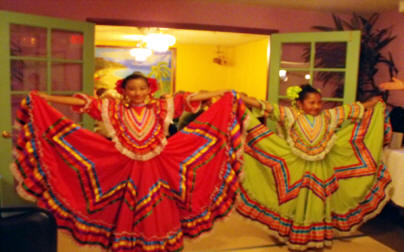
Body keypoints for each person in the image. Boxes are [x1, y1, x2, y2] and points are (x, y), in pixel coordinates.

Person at [11, 73, 248, 252]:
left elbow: (190, 99)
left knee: (161, 207)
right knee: (121, 206)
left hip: (158, 168)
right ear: (124, 91)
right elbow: (82, 104)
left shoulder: (160, 107)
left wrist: (221, 91)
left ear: (149, 90)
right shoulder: (111, 109)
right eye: (132, 89)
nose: (137, 92)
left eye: (142, 88)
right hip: (124, 168)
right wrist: (46, 98)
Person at [236, 84, 392, 250]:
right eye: (311, 103)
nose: (316, 106)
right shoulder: (290, 114)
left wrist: (372, 104)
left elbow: (352, 109)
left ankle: (317, 235)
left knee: (319, 200)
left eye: (319, 102)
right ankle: (295, 233)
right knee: (297, 200)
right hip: (297, 168)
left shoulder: (328, 116)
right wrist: (240, 98)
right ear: (300, 104)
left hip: (321, 168)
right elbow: (263, 106)